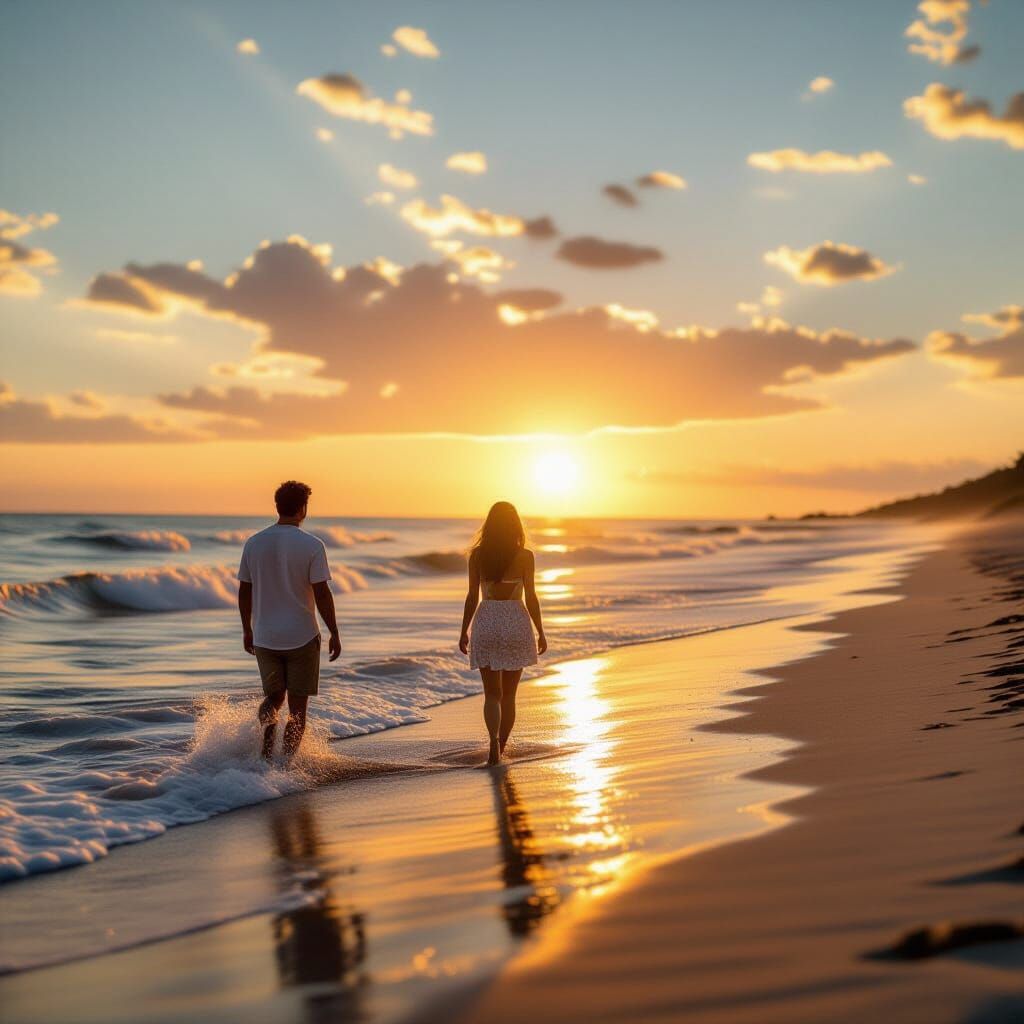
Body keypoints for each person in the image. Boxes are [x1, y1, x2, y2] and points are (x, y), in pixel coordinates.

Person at [237, 480, 341, 761]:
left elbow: (245, 590)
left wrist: (247, 629)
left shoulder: (254, 543)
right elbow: (321, 592)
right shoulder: (313, 545)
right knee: (297, 709)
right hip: (302, 637)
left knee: (273, 698)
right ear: (303, 508)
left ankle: (266, 752)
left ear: (277, 507)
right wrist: (334, 632)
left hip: (265, 637)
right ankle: (284, 768)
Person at [459, 501, 547, 766]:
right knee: (509, 696)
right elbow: (531, 597)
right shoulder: (525, 556)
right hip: (515, 622)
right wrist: (541, 631)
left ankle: (492, 744)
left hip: (486, 621)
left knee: (491, 695)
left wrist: (464, 631)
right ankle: (502, 746)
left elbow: (472, 597)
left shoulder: (477, 556)